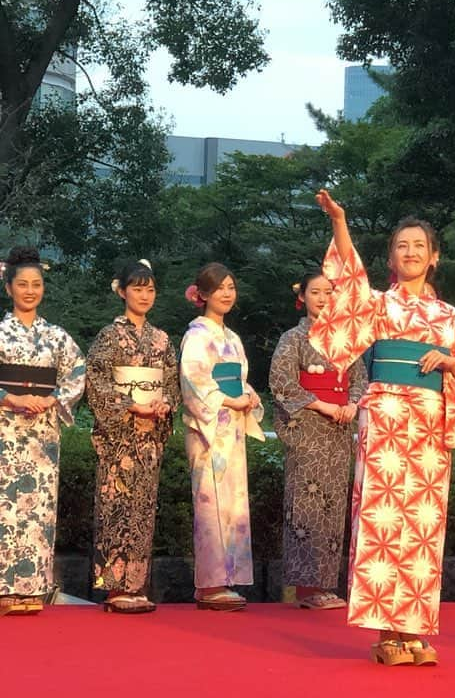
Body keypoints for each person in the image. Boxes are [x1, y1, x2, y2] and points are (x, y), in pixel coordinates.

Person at [310, 190, 455, 666]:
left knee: (424, 524)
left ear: (434, 257)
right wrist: (340, 223)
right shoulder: (379, 305)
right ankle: (387, 632)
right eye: (401, 246)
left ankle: (414, 627)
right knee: (384, 520)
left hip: (429, 420)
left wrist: (450, 361)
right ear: (392, 257)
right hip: (387, 415)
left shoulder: (450, 317)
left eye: (419, 246)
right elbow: (348, 281)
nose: (409, 253)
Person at [87, 260, 180, 613]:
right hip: (118, 437)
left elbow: (171, 384)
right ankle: (112, 589)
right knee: (114, 507)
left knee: (142, 509)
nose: (144, 295)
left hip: (148, 437)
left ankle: (137, 585)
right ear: (122, 291)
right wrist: (130, 405)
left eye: (150, 289)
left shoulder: (162, 339)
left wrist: (163, 405)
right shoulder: (109, 336)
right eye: (137, 288)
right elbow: (96, 381)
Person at [269, 271, 366, 610]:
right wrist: (323, 404)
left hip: (338, 429)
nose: (323, 299)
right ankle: (305, 587)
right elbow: (282, 381)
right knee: (306, 503)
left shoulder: (346, 341)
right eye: (316, 292)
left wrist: (353, 404)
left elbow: (359, 379)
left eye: (329, 292)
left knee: (334, 504)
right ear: (303, 296)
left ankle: (325, 585)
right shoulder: (292, 338)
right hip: (308, 427)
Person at [0, 247, 85, 616]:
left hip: (41, 436)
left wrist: (52, 401)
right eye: (22, 284)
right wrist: (11, 397)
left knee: (38, 510)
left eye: (36, 284)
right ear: (8, 288)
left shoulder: (57, 337)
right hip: (5, 430)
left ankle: (33, 589)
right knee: (6, 509)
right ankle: (4, 589)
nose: (30, 290)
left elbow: (77, 372)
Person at [180, 263, 264, 611]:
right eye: (219, 288)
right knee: (210, 503)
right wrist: (231, 398)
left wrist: (249, 395)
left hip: (232, 426)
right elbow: (194, 382)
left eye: (231, 287)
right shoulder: (197, 335)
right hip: (208, 428)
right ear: (202, 295)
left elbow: (239, 377)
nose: (227, 293)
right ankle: (210, 583)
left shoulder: (232, 338)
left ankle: (225, 579)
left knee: (232, 502)